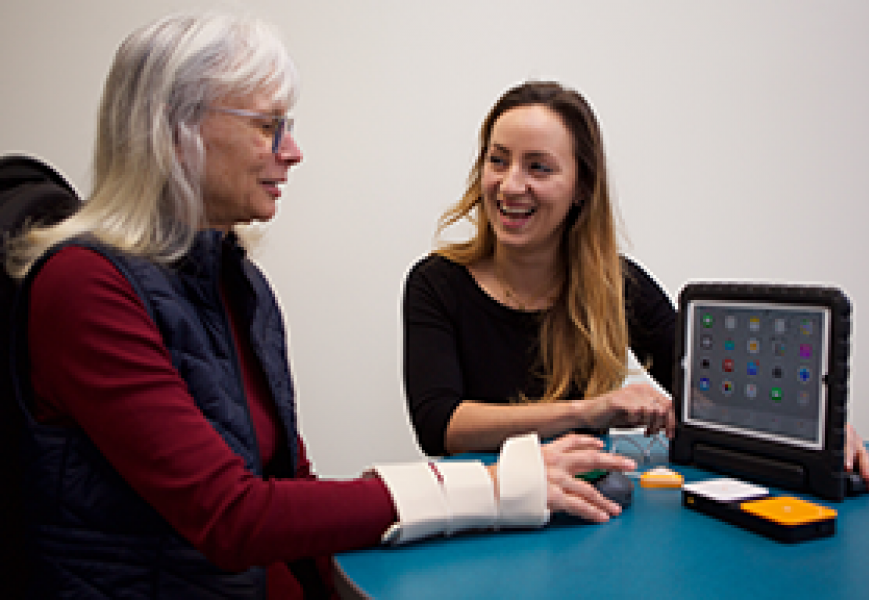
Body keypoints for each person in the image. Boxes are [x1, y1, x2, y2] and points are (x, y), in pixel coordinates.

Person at [3, 15, 637, 600]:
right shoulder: (83, 286)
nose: (292, 151)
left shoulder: (241, 286)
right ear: (175, 131)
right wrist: (495, 488)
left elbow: (290, 492)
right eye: (267, 126)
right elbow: (232, 517)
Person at [402, 81, 869, 489]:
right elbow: (439, 425)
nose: (509, 185)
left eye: (538, 167)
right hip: (482, 511)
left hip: (584, 513)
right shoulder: (435, 284)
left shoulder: (618, 285)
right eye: (498, 161)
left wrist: (809, 431)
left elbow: (711, 392)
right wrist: (592, 410)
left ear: (582, 187)